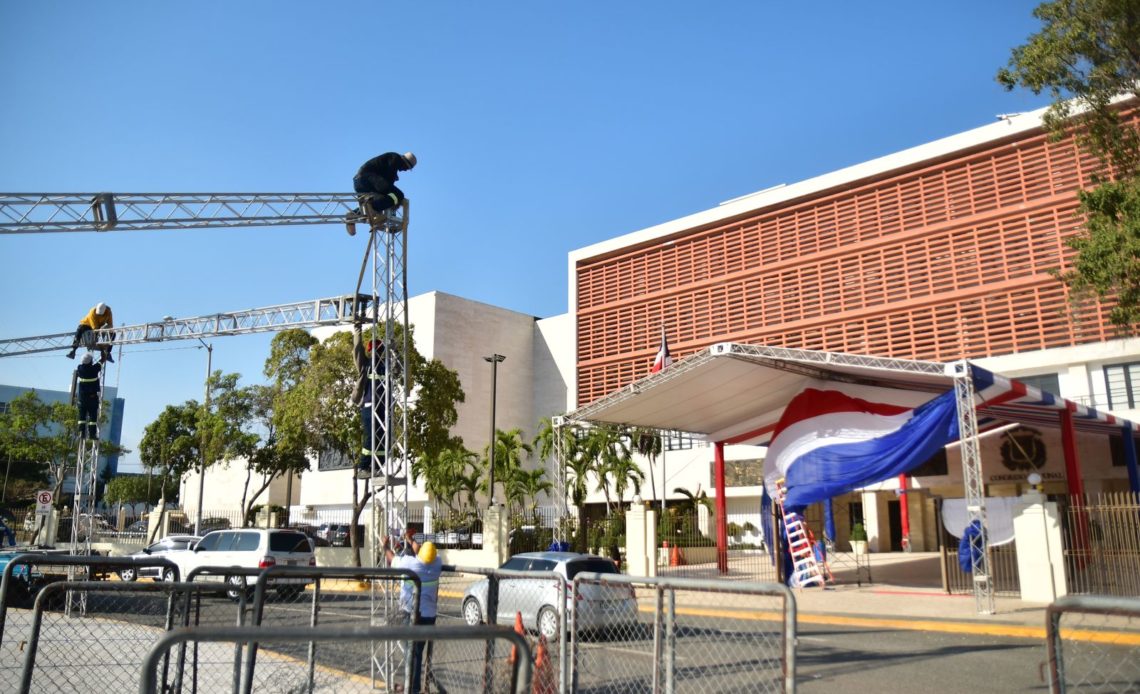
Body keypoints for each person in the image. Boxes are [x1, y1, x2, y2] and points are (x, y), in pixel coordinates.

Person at [385, 528, 441, 694]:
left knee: (412, 651)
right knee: (417, 651)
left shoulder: (410, 563)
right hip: (429, 616)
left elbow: (391, 559)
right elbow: (421, 551)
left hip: (412, 614)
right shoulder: (437, 563)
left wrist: (385, 545)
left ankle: (413, 689)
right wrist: (410, 541)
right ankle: (412, 686)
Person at [352, 322, 386, 479]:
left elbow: (401, 369)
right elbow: (357, 350)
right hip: (368, 406)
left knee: (383, 437)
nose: (378, 354)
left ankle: (378, 466)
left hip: (383, 407)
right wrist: (357, 330)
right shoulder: (365, 365)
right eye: (376, 351)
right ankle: (363, 467)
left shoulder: (386, 367)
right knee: (371, 436)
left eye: (380, 351)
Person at [349, 151, 417, 228]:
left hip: (359, 182)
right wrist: (394, 204)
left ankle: (354, 214)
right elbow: (388, 184)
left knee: (381, 199)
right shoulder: (395, 158)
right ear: (405, 163)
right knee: (399, 195)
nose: (405, 170)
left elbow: (386, 183)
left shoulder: (390, 161)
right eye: (407, 168)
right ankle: (374, 208)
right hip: (367, 179)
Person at [75, 353, 103, 439]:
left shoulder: (80, 368)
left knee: (81, 418)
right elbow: (102, 361)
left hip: (82, 399)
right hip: (92, 398)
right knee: (92, 418)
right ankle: (92, 435)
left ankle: (81, 434)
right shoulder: (94, 369)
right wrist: (104, 353)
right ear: (91, 361)